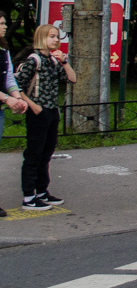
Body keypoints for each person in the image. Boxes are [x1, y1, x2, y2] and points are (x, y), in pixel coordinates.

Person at [15, 23, 75, 211]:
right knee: (34, 154)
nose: (56, 40)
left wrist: (65, 62)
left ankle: (42, 191)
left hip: (51, 111)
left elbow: (72, 79)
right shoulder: (34, 60)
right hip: (38, 112)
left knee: (46, 153)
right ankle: (29, 196)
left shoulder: (54, 61)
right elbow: (17, 86)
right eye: (51, 36)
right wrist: (32, 105)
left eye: (57, 36)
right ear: (41, 38)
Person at [0, 13, 29, 217]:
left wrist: (17, 97)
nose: (4, 26)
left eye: (4, 23)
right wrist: (6, 99)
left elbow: (9, 77)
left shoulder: (3, 48)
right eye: (0, 23)